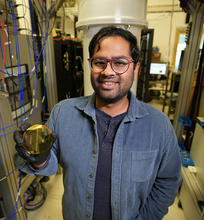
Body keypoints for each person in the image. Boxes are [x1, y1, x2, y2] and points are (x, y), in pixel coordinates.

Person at [14, 26, 182, 220]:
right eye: (99, 62)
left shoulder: (159, 126)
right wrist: (38, 157)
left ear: (136, 68)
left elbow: (167, 182)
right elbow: (49, 165)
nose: (107, 72)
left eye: (120, 63)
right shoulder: (64, 113)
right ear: (90, 65)